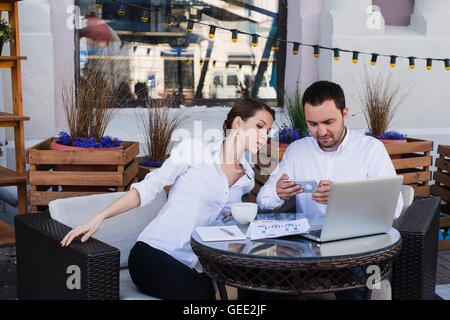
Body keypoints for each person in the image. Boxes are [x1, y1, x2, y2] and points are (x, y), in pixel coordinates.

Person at [60, 98, 275, 300]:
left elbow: (225, 220)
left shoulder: (246, 177)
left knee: (256, 284)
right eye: (259, 126)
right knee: (201, 293)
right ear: (238, 123)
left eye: (268, 130)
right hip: (154, 254)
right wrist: (99, 217)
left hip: (198, 263)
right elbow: (149, 186)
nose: (265, 136)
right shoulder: (194, 151)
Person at [256, 80, 403, 300]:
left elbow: (395, 208)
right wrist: (278, 193)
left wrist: (343, 198)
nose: (321, 131)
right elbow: (263, 199)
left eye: (328, 121)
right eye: (312, 124)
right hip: (306, 250)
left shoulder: (370, 149)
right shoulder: (298, 151)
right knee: (265, 280)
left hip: (355, 247)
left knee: (356, 288)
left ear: (345, 113)